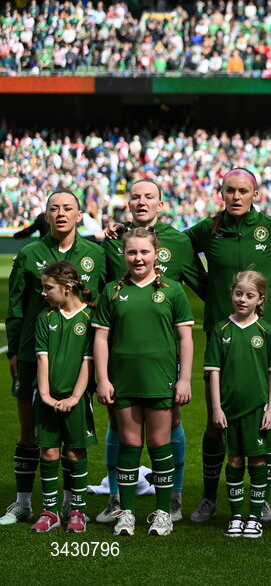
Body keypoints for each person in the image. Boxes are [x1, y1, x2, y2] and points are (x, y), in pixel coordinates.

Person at [185, 168, 271, 524]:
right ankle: (210, 497)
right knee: (216, 420)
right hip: (223, 335)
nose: (236, 196)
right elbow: (175, 247)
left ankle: (262, 499)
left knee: (264, 420)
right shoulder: (208, 230)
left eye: (243, 191)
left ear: (255, 194)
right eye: (230, 190)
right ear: (221, 193)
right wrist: (208, 289)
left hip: (267, 334)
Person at [98, 179, 206, 523]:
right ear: (128, 204)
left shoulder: (179, 242)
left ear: (161, 204)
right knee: (118, 423)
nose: (142, 201)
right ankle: (117, 498)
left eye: (149, 197)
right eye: (136, 197)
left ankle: (172, 498)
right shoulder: (113, 240)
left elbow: (206, 286)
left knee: (170, 421)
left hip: (162, 360)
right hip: (122, 359)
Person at [2, 191, 106, 527]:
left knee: (73, 435)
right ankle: (23, 504)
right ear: (45, 215)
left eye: (68, 208)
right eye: (53, 208)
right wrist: (15, 349)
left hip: (80, 358)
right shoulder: (30, 253)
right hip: (35, 354)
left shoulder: (95, 254)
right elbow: (16, 306)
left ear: (79, 215)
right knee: (29, 429)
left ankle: (68, 506)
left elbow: (103, 306)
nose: (60, 213)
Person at [204, 271, 271, 539]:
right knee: (235, 460)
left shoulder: (267, 331)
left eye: (250, 295)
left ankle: (255, 516)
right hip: (229, 409)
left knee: (258, 461)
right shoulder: (220, 330)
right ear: (231, 294)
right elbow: (213, 371)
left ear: (261, 299)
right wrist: (216, 407)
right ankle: (237, 516)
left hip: (258, 410)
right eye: (238, 293)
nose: (242, 299)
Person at [28, 262, 96, 534]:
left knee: (75, 451)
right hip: (47, 399)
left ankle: (77, 510)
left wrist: (76, 396)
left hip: (77, 399)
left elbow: (88, 360)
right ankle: (50, 511)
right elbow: (41, 357)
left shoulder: (90, 318)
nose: (43, 293)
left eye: (48, 287)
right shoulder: (46, 318)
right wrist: (44, 394)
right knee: (49, 451)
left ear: (68, 288)